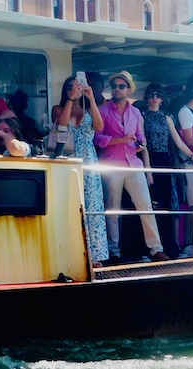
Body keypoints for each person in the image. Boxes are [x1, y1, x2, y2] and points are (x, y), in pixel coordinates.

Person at [93, 71, 169, 264]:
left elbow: (140, 136)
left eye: (121, 86)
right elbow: (96, 138)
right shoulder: (102, 111)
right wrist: (120, 140)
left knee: (145, 206)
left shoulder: (136, 112)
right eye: (115, 86)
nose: (117, 89)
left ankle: (156, 249)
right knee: (113, 210)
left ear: (128, 89)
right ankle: (114, 250)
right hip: (111, 164)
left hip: (133, 164)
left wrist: (140, 143)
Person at [142, 82, 193, 259]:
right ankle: (150, 249)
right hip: (148, 161)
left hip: (165, 161)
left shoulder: (167, 117)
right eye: (151, 94)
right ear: (147, 97)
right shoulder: (141, 116)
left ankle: (171, 248)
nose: (154, 98)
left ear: (162, 99)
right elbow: (143, 145)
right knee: (149, 205)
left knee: (167, 206)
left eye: (158, 95)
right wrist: (148, 172)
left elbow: (179, 142)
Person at [53, 75, 108, 266]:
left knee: (92, 206)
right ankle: (71, 252)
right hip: (68, 159)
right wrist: (71, 97)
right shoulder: (59, 108)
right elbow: (61, 123)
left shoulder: (88, 110)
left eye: (77, 86)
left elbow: (100, 127)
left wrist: (91, 98)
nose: (74, 88)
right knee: (69, 204)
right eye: (70, 86)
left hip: (89, 159)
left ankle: (95, 255)